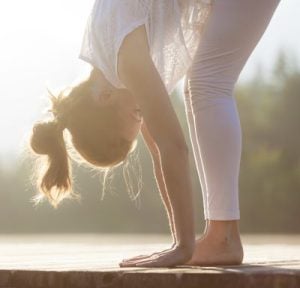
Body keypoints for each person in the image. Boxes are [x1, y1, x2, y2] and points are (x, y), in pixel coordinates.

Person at [29, 0, 280, 267]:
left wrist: (183, 248)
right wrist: (177, 242)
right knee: (202, 86)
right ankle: (221, 237)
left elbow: (173, 147)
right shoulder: (110, 67)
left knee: (208, 85)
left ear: (104, 98)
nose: (142, 115)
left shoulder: (125, 58)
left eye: (136, 115)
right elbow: (160, 151)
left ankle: (224, 238)